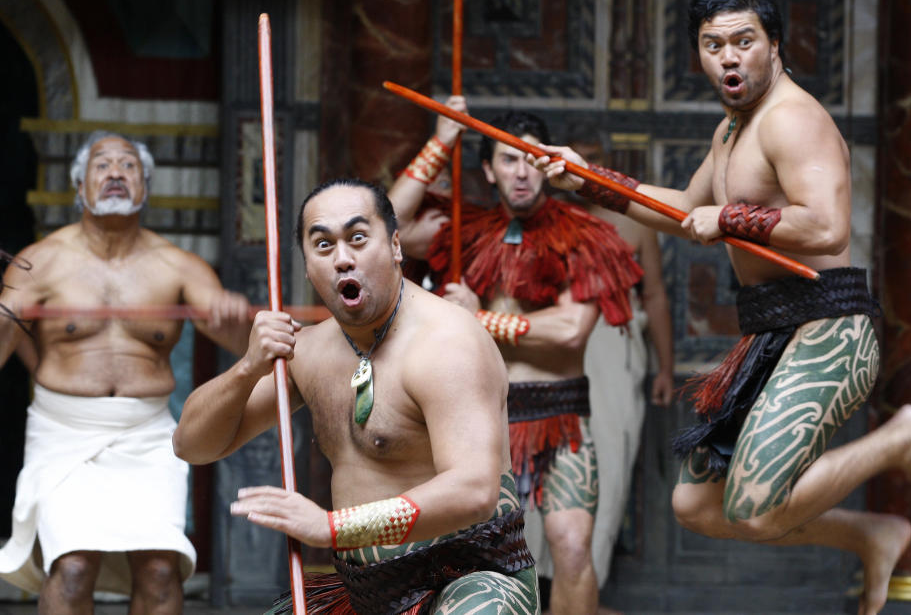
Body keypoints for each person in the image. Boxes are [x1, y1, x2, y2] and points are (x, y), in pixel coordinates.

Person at [531, 0, 911, 615]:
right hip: (770, 332)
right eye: (712, 45)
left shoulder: (793, 119)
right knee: (695, 504)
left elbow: (827, 226)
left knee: (753, 508)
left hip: (828, 326)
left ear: (774, 44)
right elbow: (679, 209)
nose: (728, 57)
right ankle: (870, 533)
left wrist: (729, 218)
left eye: (743, 41)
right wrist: (585, 178)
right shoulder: (731, 131)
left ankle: (900, 440)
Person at [172, 178, 539, 614]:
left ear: (396, 247)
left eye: (358, 238)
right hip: (366, 590)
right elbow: (192, 445)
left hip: (467, 575)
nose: (343, 258)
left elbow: (474, 491)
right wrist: (248, 367)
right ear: (308, 267)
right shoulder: (306, 352)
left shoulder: (448, 343)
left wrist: (330, 528)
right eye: (323, 246)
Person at [389, 106, 643, 615]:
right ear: (489, 170)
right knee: (473, 557)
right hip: (482, 420)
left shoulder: (583, 235)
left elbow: (570, 331)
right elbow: (385, 225)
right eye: (508, 160)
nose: (522, 171)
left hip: (561, 416)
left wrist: (481, 318)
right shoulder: (462, 228)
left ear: (547, 165)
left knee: (572, 546)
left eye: (531, 159)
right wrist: (441, 140)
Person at [0, 131, 252, 614]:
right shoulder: (40, 262)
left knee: (161, 571)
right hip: (62, 432)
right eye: (101, 164)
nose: (115, 172)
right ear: (79, 186)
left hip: (147, 433)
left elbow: (243, 349)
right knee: (72, 568)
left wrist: (236, 323)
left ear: (145, 185)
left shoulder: (179, 266)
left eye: (129, 165)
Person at [523, 129, 674, 601]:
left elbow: (653, 295)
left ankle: (583, 579)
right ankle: (533, 585)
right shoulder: (541, 219)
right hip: (549, 347)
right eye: (575, 159)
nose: (579, 168)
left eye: (592, 161)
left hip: (614, 347)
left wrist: (665, 368)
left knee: (606, 456)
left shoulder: (632, 220)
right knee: (537, 459)